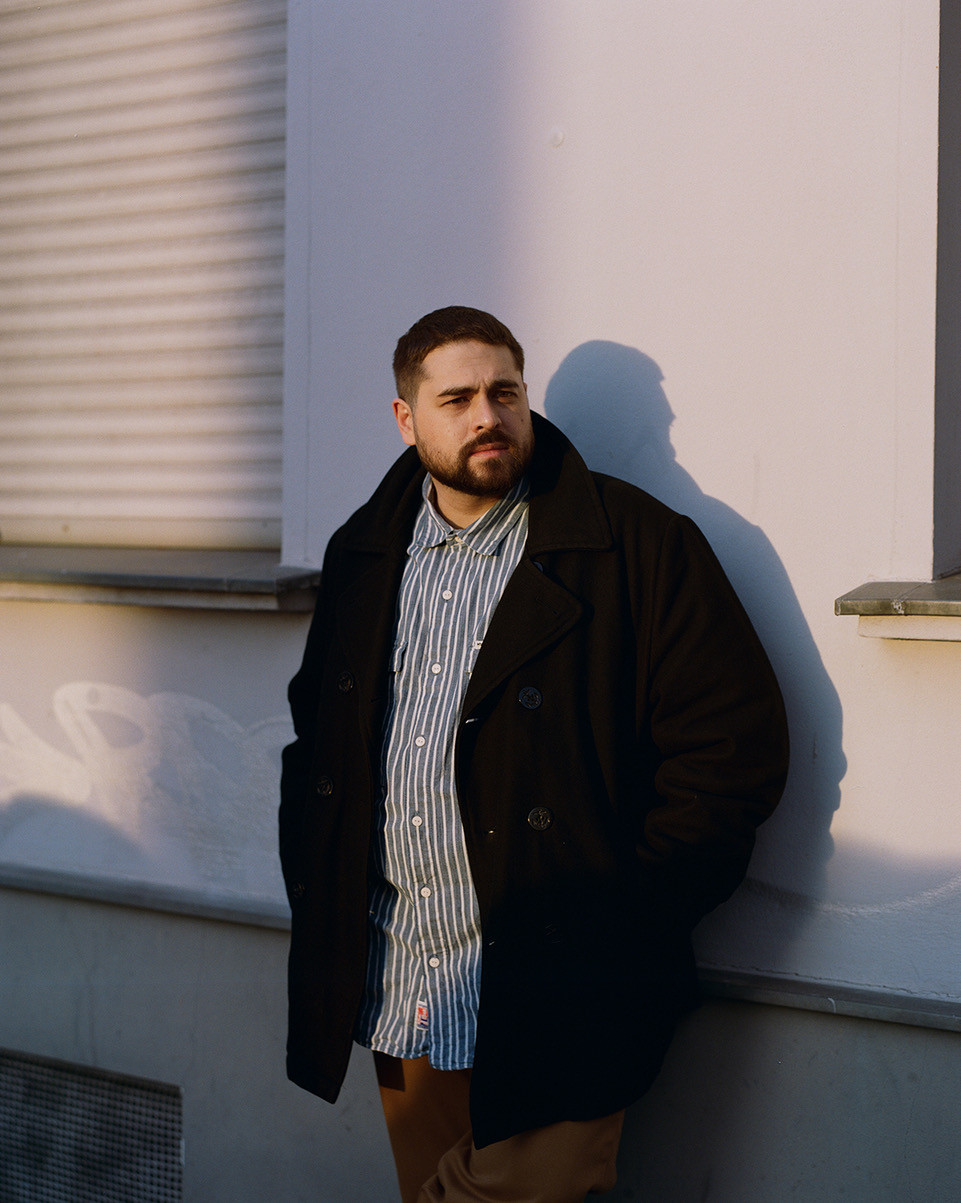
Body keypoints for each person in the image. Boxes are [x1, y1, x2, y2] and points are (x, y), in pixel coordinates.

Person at [279, 306, 789, 1202]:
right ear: (406, 419)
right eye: (457, 399)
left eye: (504, 391)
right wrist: (321, 877)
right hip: (404, 970)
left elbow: (729, 746)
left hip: (563, 979)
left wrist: (626, 915)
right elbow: (317, 739)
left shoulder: (634, 544)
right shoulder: (363, 554)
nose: (488, 416)